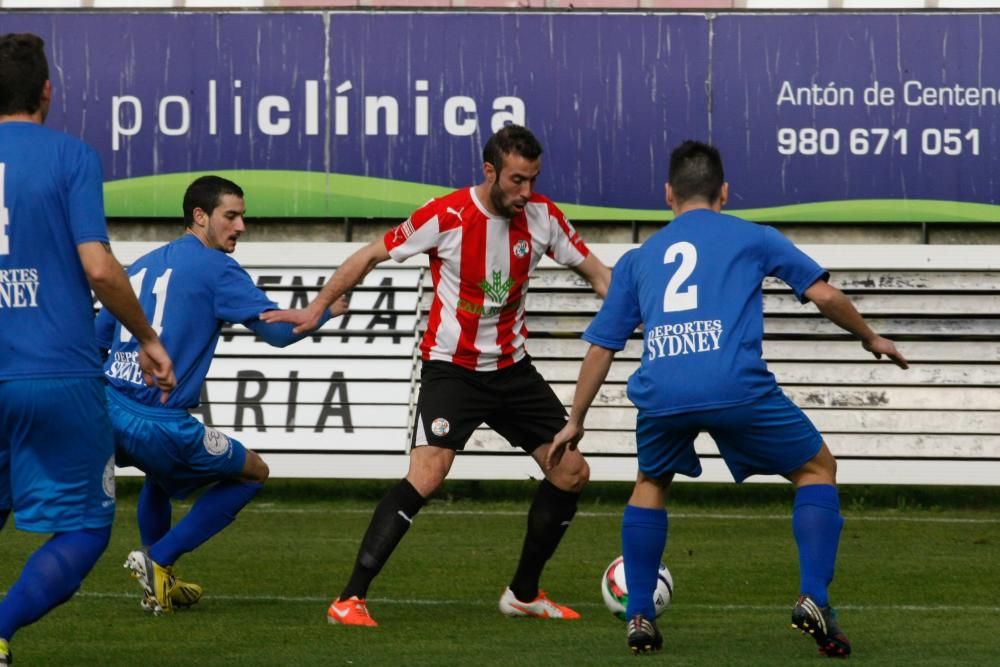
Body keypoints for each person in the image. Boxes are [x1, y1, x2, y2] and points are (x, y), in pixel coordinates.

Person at [546, 140, 909, 657]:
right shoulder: (753, 236)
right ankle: (815, 598)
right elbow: (823, 293)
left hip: (663, 388)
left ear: (668, 194)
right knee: (816, 470)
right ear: (724, 192)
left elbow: (602, 345)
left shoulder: (638, 258)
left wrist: (574, 420)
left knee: (650, 482)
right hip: (734, 383)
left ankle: (640, 615)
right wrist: (871, 337)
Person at [262, 124, 612, 627]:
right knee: (428, 472)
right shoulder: (446, 215)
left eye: (532, 179)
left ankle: (523, 593)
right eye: (516, 180)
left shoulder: (543, 217)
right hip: (453, 370)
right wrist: (318, 306)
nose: (525, 192)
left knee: (571, 471)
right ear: (490, 171)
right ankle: (350, 599)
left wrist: (632, 305)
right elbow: (369, 254)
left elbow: (599, 274)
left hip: (513, 371)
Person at [0, 33, 176, 665]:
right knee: (83, 528)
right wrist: (148, 338)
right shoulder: (70, 156)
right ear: (47, 91)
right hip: (57, 374)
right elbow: (98, 268)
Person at [94, 175, 346, 615]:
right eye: (231, 216)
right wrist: (325, 310)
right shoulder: (217, 268)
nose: (241, 226)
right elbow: (278, 334)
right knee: (253, 472)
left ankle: (160, 585)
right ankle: (159, 558)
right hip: (160, 421)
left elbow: (97, 339)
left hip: (107, 409)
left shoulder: (143, 264)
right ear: (200, 216)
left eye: (242, 216)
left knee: (161, 478)